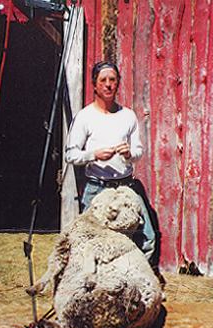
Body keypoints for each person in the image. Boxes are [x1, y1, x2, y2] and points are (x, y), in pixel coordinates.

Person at [65, 61, 156, 262]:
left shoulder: (128, 116)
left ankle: (139, 283)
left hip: (125, 187)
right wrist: (94, 155)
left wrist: (129, 154)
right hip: (96, 188)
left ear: (118, 84)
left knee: (146, 238)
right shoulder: (85, 117)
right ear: (94, 85)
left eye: (112, 80)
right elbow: (70, 155)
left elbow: (139, 151)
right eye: (103, 80)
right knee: (90, 241)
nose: (108, 84)